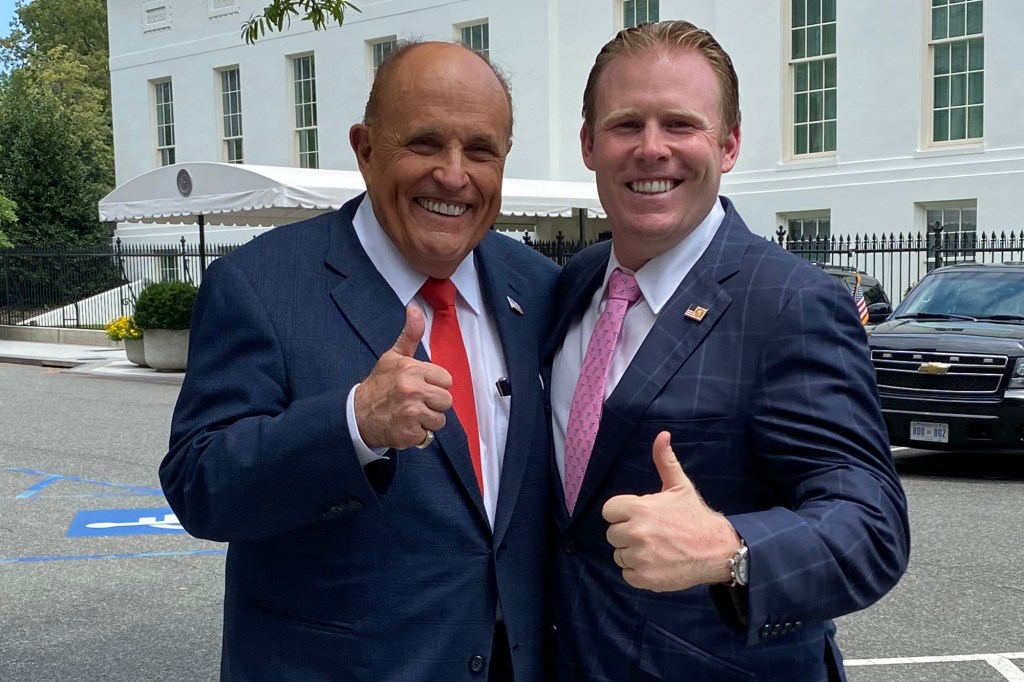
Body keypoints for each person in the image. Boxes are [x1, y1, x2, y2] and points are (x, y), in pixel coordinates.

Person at [160, 41, 558, 681]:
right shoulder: (261, 285)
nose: (455, 175)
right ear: (366, 149)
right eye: (425, 144)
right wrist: (353, 425)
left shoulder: (538, 288)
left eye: (481, 150)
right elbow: (199, 487)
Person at [546, 21, 910, 681]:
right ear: (589, 144)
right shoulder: (575, 283)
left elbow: (873, 527)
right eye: (626, 125)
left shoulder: (790, 303)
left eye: (680, 125)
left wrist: (731, 550)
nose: (651, 149)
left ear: (730, 144)